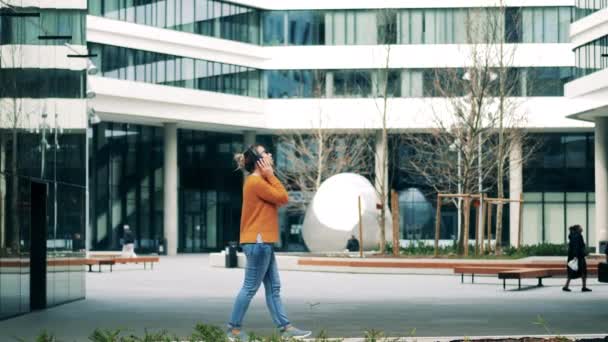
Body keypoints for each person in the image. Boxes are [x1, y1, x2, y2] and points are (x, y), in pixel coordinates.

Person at [227, 144, 311, 342]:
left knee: (273, 288)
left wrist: (269, 175)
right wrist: (271, 174)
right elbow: (283, 197)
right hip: (259, 242)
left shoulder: (257, 181)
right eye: (266, 153)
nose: (271, 154)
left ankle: (286, 328)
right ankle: (234, 330)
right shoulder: (256, 182)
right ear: (260, 161)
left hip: (262, 242)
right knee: (249, 288)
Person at [563, 224, 591, 292]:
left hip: (574, 256)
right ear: (578, 229)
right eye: (580, 227)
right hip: (578, 256)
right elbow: (577, 246)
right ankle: (583, 287)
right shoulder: (578, 235)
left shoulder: (573, 235)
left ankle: (566, 286)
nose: (582, 228)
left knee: (572, 271)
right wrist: (576, 256)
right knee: (583, 271)